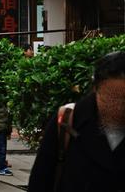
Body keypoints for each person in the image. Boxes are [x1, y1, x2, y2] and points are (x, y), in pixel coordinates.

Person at [28, 51, 125, 191]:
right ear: (96, 89)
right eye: (111, 99)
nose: (118, 107)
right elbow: (40, 181)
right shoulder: (68, 121)